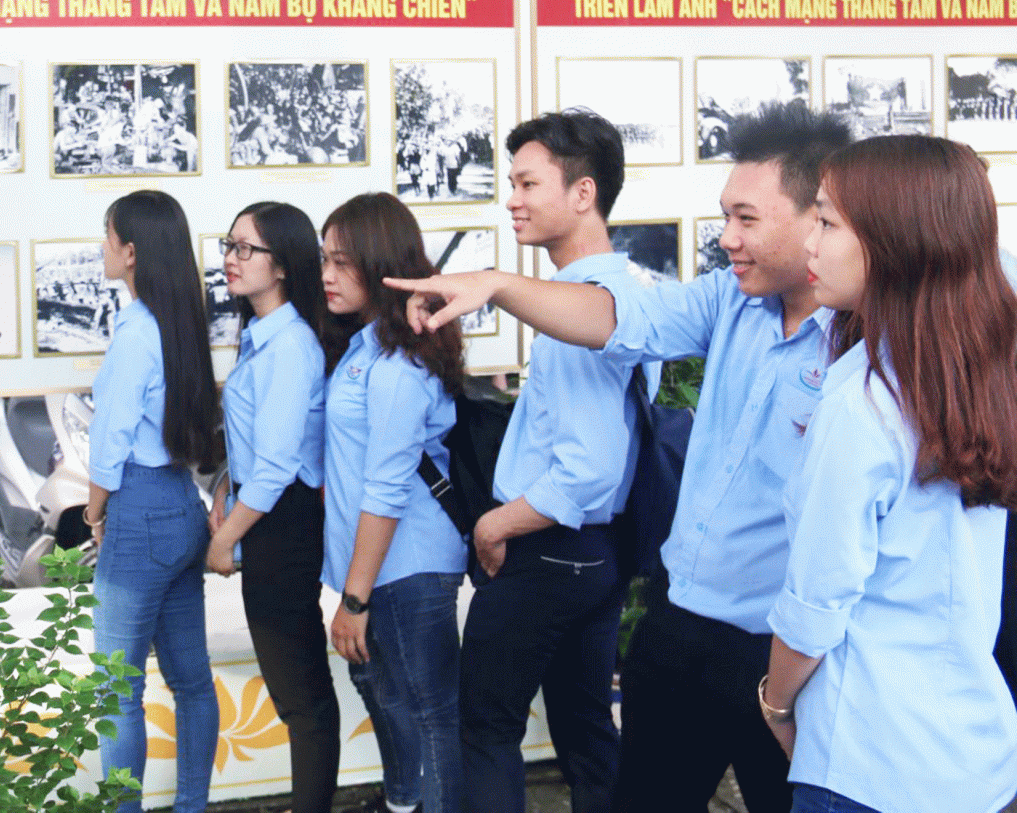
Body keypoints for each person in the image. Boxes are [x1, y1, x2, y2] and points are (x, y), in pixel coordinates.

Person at [385, 101, 853, 812]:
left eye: (746, 219)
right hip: (679, 623)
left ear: (817, 218)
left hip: (778, 652)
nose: (727, 238)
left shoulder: (866, 345)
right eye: (725, 216)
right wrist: (498, 285)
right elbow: (616, 320)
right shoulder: (731, 301)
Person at [762, 135, 1017, 813]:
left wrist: (776, 704)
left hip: (868, 758)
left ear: (895, 243)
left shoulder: (863, 404)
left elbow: (816, 606)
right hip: (974, 755)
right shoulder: (984, 373)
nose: (809, 242)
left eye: (826, 222)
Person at [462, 109, 654, 813]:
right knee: (586, 735)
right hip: (595, 553)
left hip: (547, 550)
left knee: (486, 731)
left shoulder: (577, 311)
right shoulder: (628, 290)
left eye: (527, 183)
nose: (512, 199)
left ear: (583, 193)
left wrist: (495, 525)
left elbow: (588, 468)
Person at [319, 192, 468, 813]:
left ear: (380, 265)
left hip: (407, 568)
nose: (327, 275)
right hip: (379, 567)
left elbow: (386, 489)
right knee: (392, 703)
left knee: (431, 719)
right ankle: (403, 804)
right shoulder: (366, 349)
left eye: (342, 262)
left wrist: (354, 601)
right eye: (324, 259)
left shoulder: (398, 364)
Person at [84, 190, 222, 813]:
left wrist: (94, 513)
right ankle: (192, 806)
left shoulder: (137, 329)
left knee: (117, 690)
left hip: (139, 510)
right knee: (192, 683)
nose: (103, 247)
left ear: (132, 252)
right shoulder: (181, 322)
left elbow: (109, 438)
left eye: (108, 236)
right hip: (181, 503)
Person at [205, 201, 339, 813]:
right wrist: (224, 491)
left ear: (282, 265)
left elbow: (279, 465)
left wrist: (223, 538)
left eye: (246, 249)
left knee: (302, 697)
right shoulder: (263, 337)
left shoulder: (289, 346)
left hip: (283, 525)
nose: (231, 260)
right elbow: (257, 447)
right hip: (268, 517)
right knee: (296, 694)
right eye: (229, 246)